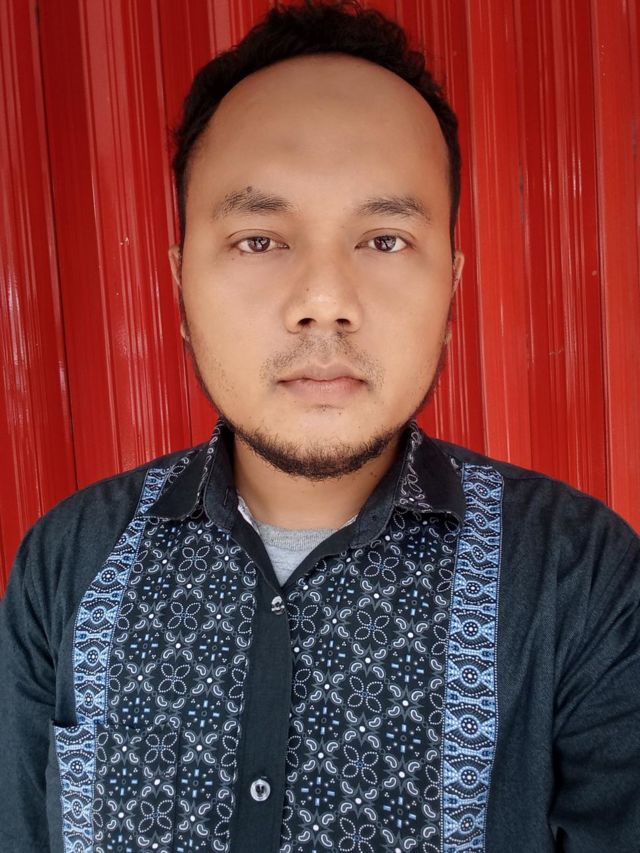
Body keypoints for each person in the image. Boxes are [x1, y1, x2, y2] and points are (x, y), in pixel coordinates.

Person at [1, 0, 638, 850]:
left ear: (451, 286)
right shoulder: (66, 561)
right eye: (260, 240)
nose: (325, 301)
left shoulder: (581, 577)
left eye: (385, 239)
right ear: (180, 282)